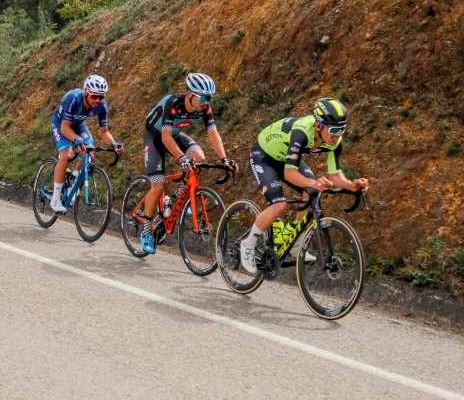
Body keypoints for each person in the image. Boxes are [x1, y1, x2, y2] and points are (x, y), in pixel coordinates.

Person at [238, 97, 369, 273]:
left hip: (285, 159)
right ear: (318, 126)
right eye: (334, 129)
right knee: (279, 205)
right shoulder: (301, 132)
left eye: (342, 129)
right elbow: (289, 173)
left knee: (311, 192)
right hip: (264, 156)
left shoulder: (335, 141)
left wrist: (350, 185)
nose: (338, 134)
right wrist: (314, 182)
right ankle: (248, 244)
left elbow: (335, 175)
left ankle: (294, 240)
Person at [138, 73, 237, 255]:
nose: (206, 102)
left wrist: (224, 158)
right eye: (203, 97)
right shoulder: (173, 104)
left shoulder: (204, 109)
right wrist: (182, 158)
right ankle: (146, 228)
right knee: (158, 186)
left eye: (209, 98)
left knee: (199, 159)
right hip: (155, 137)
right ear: (190, 94)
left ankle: (177, 197)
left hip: (174, 136)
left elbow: (213, 134)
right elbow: (165, 137)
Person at [49, 75, 124, 212]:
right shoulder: (74, 99)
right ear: (86, 93)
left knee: (89, 153)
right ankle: (55, 197)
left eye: (101, 97)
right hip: (61, 123)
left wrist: (113, 144)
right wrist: (75, 139)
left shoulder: (102, 106)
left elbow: (104, 132)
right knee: (67, 155)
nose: (97, 100)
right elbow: (65, 128)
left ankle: (73, 177)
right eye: (94, 96)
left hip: (79, 124)